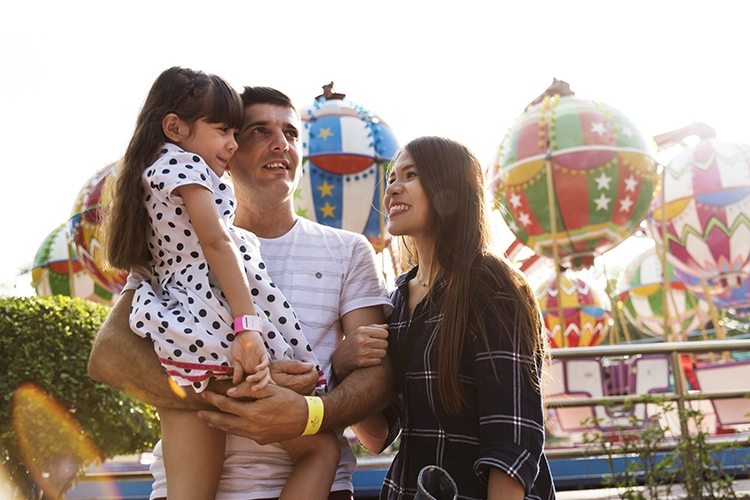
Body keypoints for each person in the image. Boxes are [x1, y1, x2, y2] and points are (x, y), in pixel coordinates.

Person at [89, 84, 393, 500]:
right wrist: (240, 393)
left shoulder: (348, 250)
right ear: (226, 150)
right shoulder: (176, 244)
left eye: (291, 134)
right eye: (259, 131)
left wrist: (305, 412)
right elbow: (109, 356)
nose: (280, 144)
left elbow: (377, 377)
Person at [348, 136, 556, 499]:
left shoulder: (492, 286)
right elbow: (378, 435)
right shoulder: (397, 299)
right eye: (392, 178)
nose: (392, 189)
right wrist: (343, 367)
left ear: (449, 187)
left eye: (410, 175)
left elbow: (513, 439)